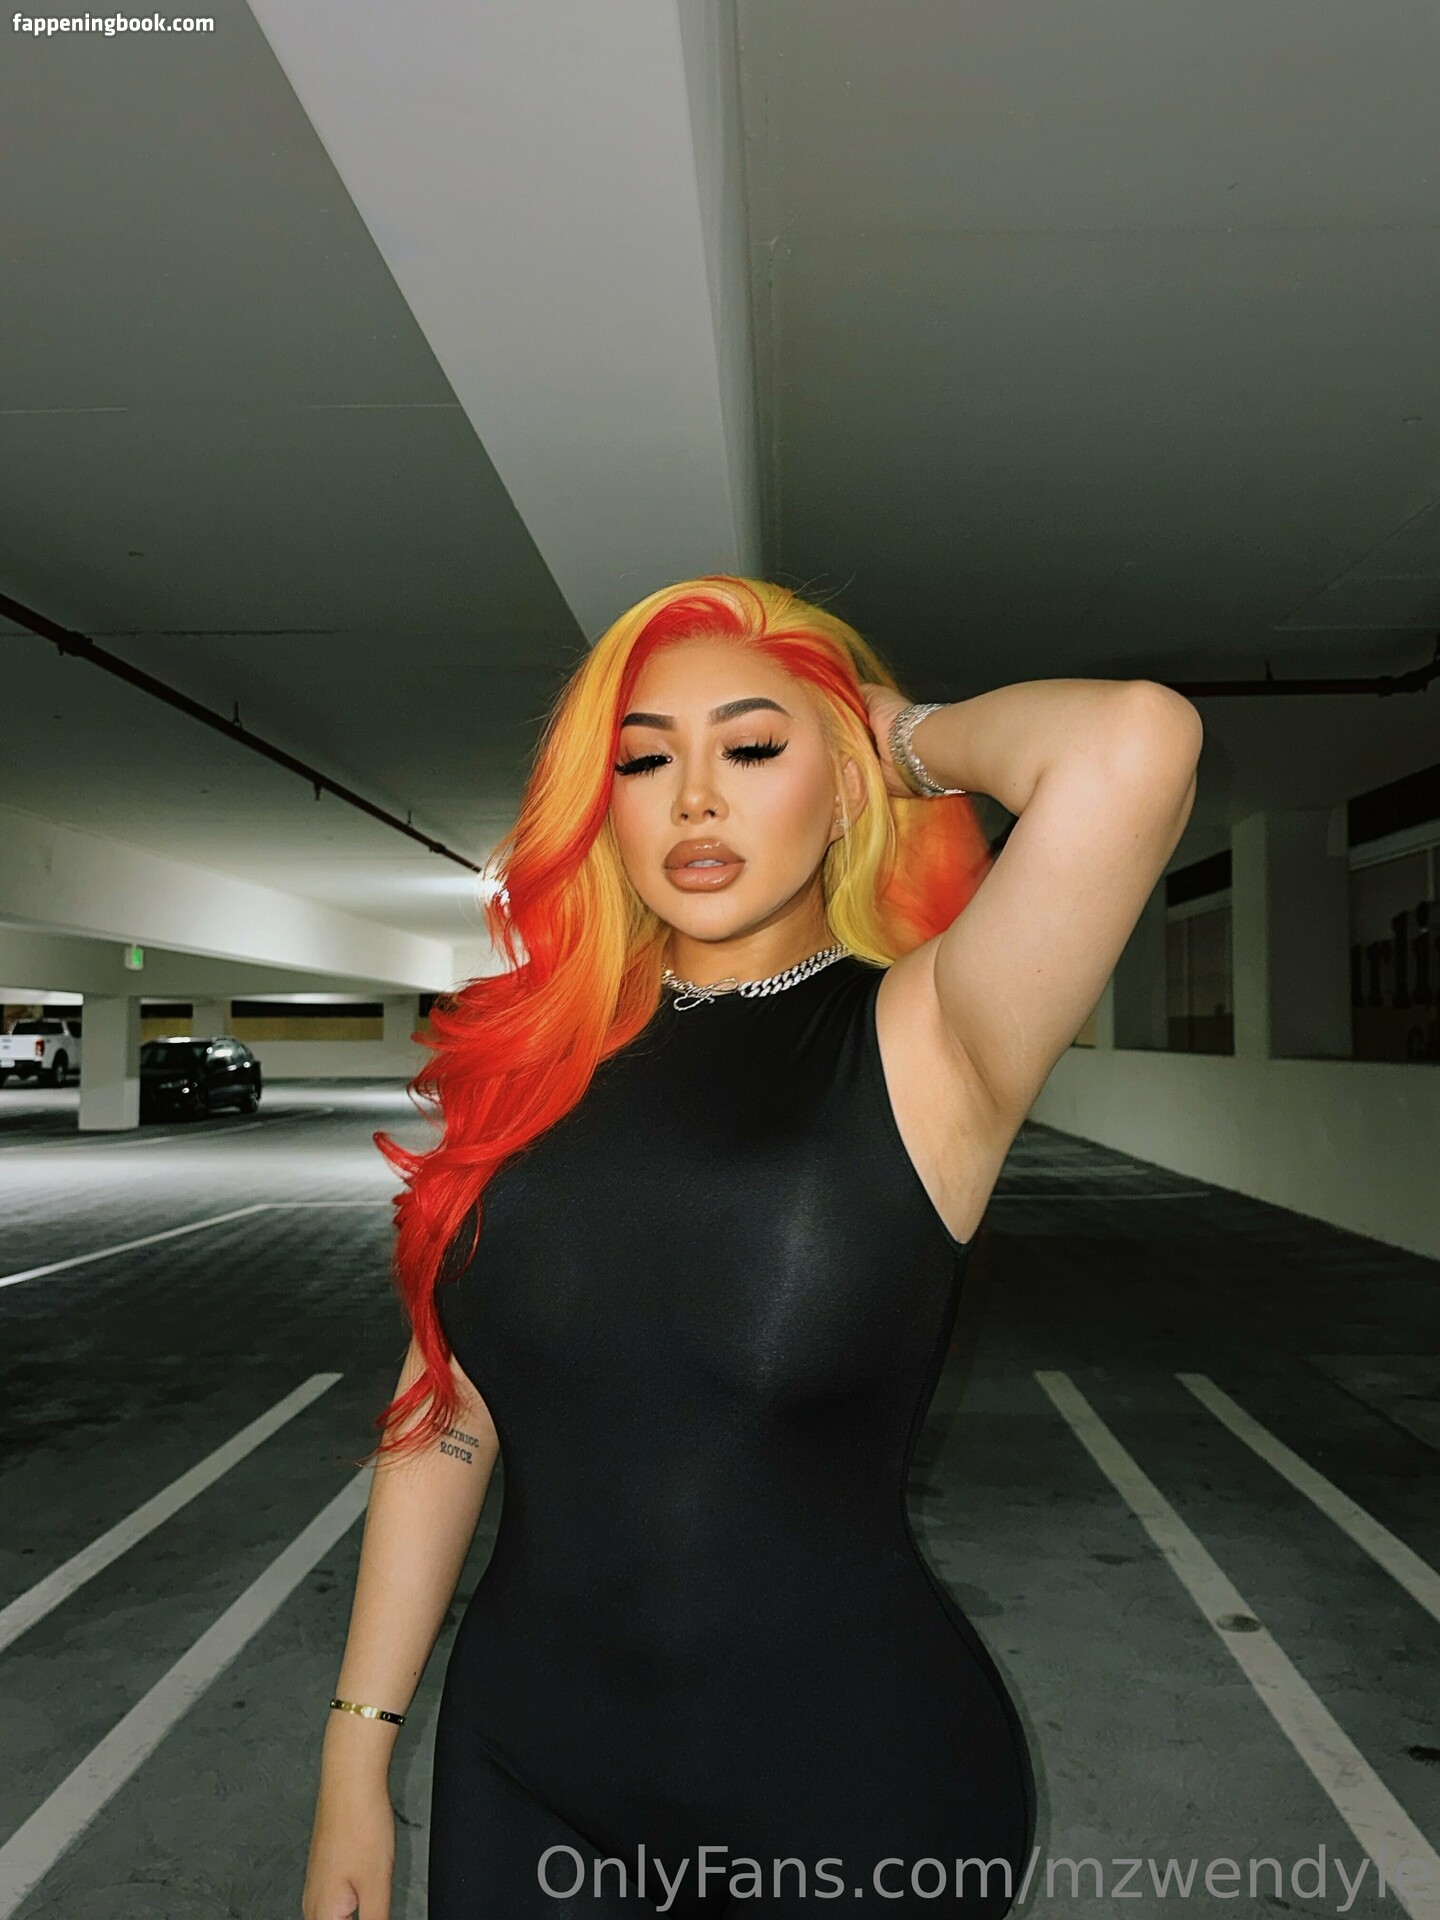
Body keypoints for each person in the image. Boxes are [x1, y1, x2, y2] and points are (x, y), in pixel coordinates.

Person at [302, 576, 1202, 1919]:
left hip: (853, 1800)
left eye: (754, 748)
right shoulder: (530, 1072)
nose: (694, 800)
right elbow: (449, 1409)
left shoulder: (929, 1041)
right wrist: (354, 1754)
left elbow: (1137, 742)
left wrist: (891, 735)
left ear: (838, 788)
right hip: (524, 1776)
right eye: (644, 760)